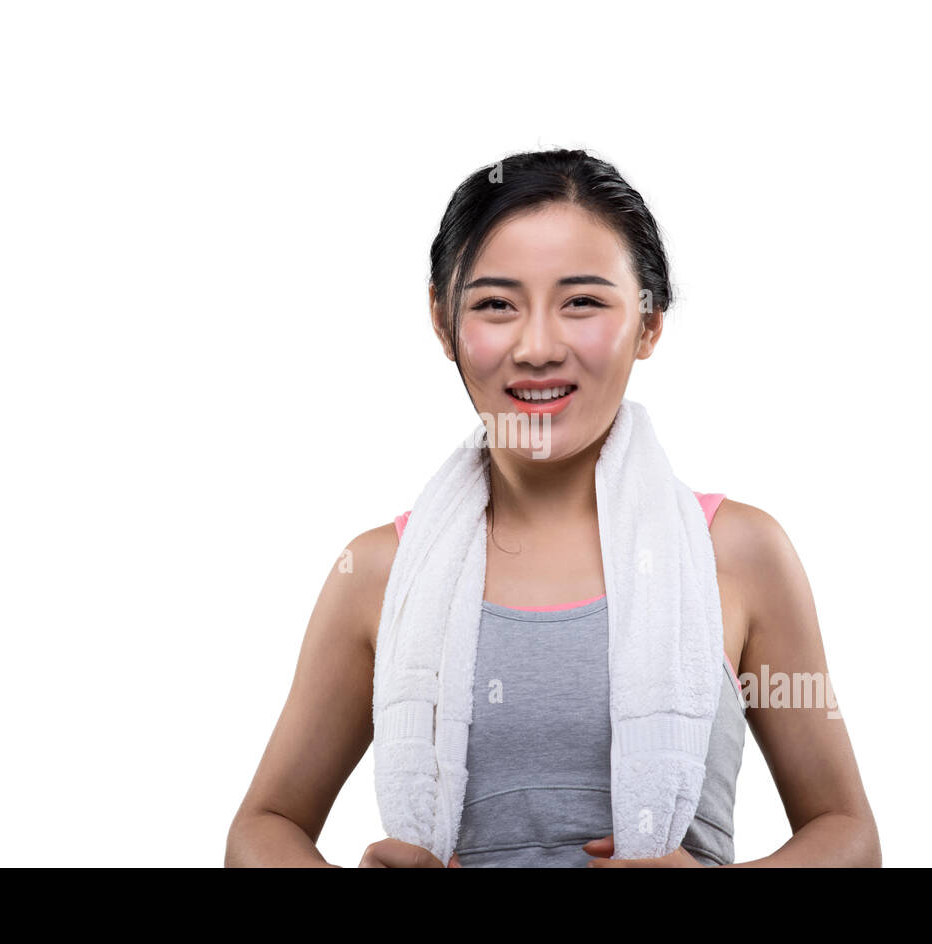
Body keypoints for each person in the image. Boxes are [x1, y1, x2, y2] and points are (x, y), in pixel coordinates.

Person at [225, 148, 880, 868]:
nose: (537, 347)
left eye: (583, 302)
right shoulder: (383, 572)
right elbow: (264, 824)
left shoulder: (737, 552)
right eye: (496, 304)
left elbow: (848, 831)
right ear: (443, 324)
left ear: (649, 323)